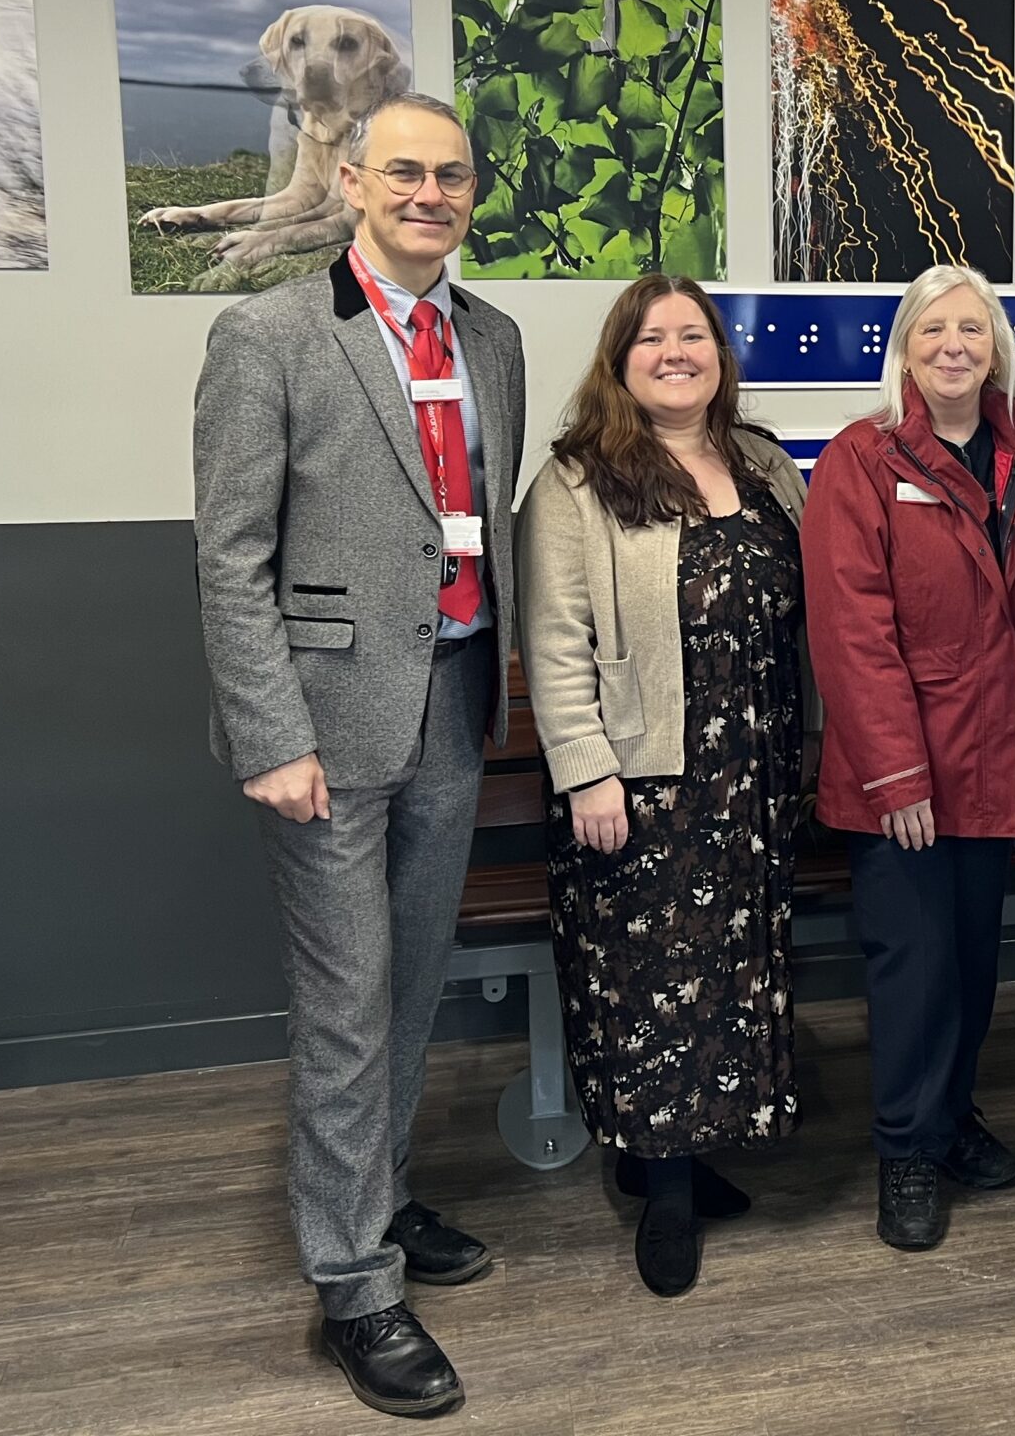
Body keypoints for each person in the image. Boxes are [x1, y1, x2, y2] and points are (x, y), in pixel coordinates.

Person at [189, 92, 523, 1419]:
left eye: (451, 175)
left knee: (414, 984)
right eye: (405, 172)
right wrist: (270, 738)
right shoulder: (268, 334)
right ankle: (352, 1285)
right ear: (348, 179)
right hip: (324, 727)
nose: (429, 192)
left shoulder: (488, 335)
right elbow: (230, 558)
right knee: (344, 1007)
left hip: (453, 697)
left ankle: (376, 1198)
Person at [801, 266, 1015, 1253]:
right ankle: (906, 1152)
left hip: (1000, 761)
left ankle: (951, 1115)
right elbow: (853, 633)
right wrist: (895, 777)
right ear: (905, 348)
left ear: (997, 350)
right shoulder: (861, 459)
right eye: (934, 331)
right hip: (905, 777)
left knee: (973, 966)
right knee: (913, 969)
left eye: (972, 330)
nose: (954, 347)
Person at [518, 277, 810, 1301]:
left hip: (759, 775)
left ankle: (690, 1152)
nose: (676, 352)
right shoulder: (576, 482)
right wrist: (585, 769)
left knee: (734, 977)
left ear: (720, 357)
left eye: (695, 335)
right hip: (644, 782)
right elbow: (554, 641)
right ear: (621, 358)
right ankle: (665, 1191)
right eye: (653, 338)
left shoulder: (764, 464)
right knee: (651, 991)